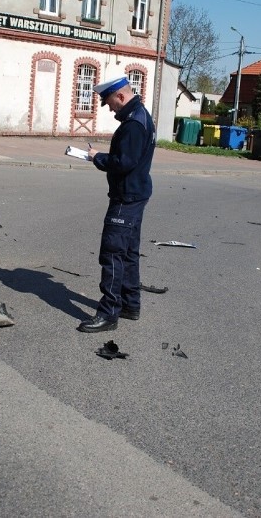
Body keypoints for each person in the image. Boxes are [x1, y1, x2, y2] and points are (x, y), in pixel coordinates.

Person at [77, 76, 156, 333]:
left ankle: (109, 313)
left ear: (120, 96)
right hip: (136, 194)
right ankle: (131, 305)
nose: (109, 108)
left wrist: (96, 157)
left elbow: (124, 162)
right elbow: (129, 157)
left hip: (126, 198)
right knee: (129, 253)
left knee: (112, 255)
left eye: (110, 103)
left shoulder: (133, 123)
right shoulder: (141, 116)